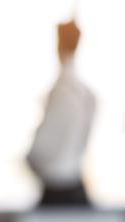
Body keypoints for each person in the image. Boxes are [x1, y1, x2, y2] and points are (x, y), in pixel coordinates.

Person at [27, 20, 96, 207]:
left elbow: (44, 144)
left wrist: (30, 159)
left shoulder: (62, 91)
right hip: (74, 184)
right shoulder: (85, 92)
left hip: (57, 190)